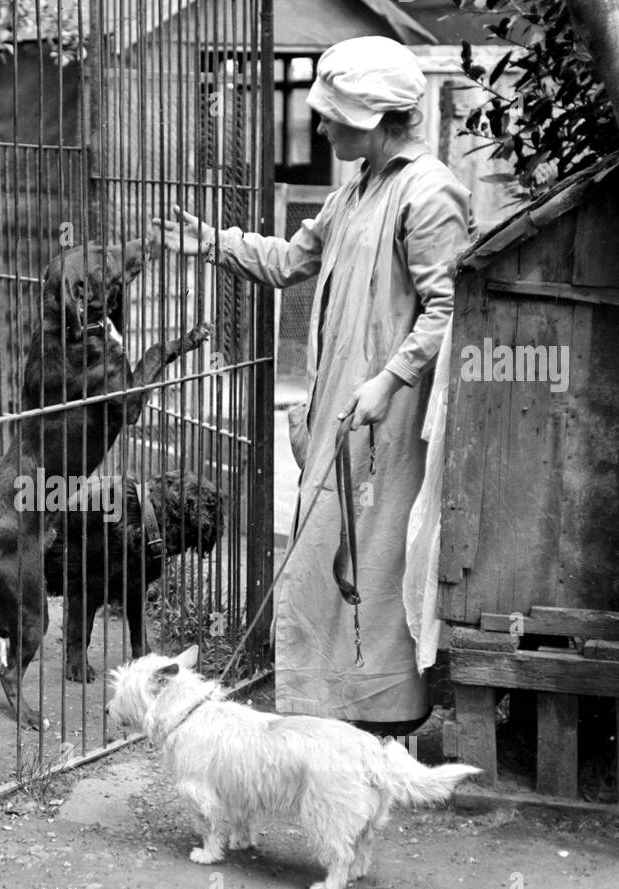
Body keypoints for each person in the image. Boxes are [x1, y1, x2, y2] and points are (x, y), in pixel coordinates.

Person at [154, 36, 472, 728]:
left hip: (391, 416)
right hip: (341, 403)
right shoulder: (354, 191)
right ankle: (332, 711)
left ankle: (384, 716)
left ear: (379, 118)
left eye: (333, 117)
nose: (321, 127)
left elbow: (448, 309)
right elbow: (288, 260)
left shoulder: (428, 192)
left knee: (373, 557)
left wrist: (390, 380)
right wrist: (211, 241)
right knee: (328, 552)